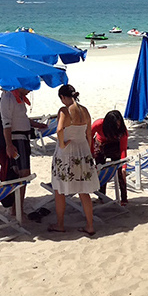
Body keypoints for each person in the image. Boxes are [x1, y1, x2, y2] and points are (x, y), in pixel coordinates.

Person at [47, 85, 99, 234]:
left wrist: (62, 144)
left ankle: (60, 224)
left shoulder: (64, 111)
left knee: (60, 190)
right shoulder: (85, 110)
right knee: (84, 190)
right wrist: (88, 152)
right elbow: (89, 134)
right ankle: (90, 225)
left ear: (63, 97)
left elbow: (59, 130)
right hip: (83, 150)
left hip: (67, 152)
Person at [0, 86, 36, 182]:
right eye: (28, 88)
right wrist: (9, 145)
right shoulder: (8, 99)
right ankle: (20, 193)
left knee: (24, 173)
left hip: (23, 138)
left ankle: (21, 192)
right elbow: (6, 124)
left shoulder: (18, 98)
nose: (30, 90)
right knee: (23, 173)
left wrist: (36, 124)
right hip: (18, 139)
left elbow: (21, 117)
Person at [90, 109, 130, 204]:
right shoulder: (99, 124)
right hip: (100, 144)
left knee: (120, 171)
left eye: (119, 124)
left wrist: (124, 167)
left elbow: (123, 149)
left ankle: (124, 197)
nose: (118, 127)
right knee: (101, 169)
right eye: (116, 125)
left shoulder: (122, 130)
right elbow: (89, 136)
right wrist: (91, 153)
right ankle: (101, 196)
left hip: (114, 145)